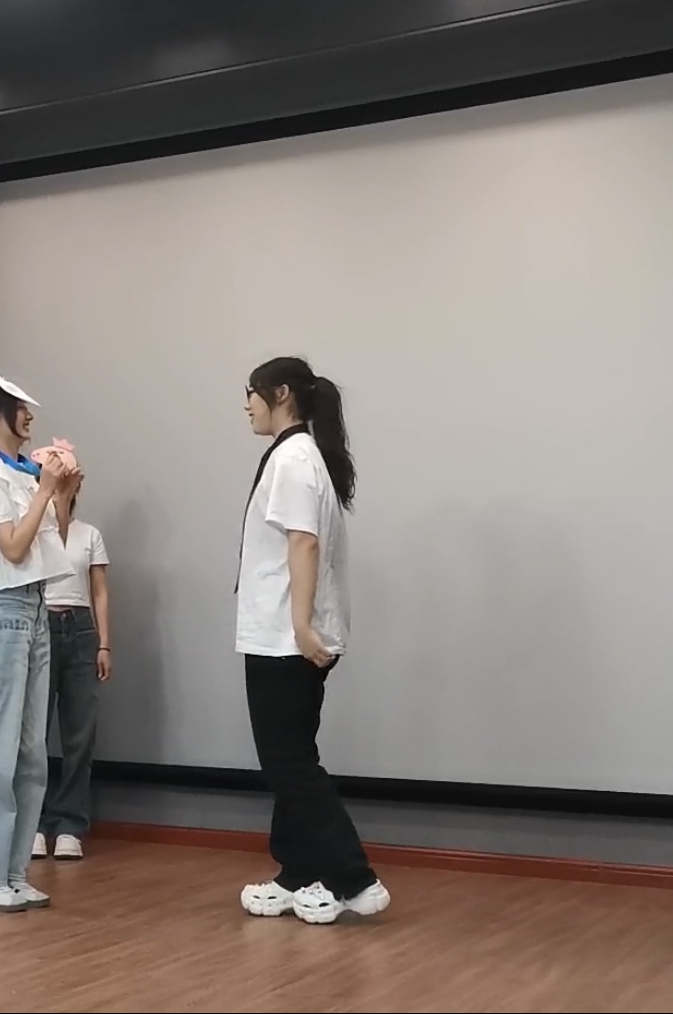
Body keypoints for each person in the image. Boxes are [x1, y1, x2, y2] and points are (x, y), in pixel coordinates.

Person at [234, 357, 388, 924]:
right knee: (293, 759)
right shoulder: (300, 456)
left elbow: (304, 542)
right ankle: (298, 872)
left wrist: (300, 626)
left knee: (289, 764)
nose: (246, 406)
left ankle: (354, 878)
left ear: (280, 394)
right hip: (283, 634)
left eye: (251, 393)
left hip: (285, 638)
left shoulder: (294, 459)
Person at [0, 357, 78, 912]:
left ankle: (12, 869)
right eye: (18, 409)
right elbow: (12, 547)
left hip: (35, 606)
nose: (28, 416)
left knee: (31, 751)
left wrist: (62, 493)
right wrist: (45, 489)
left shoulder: (25, 474)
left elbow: (54, 543)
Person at [33, 475, 110, 861]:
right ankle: (32, 823)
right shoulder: (35, 531)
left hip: (80, 629)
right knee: (34, 732)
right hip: (41, 623)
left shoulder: (90, 534)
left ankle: (69, 825)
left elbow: (100, 591)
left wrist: (104, 643)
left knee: (79, 733)